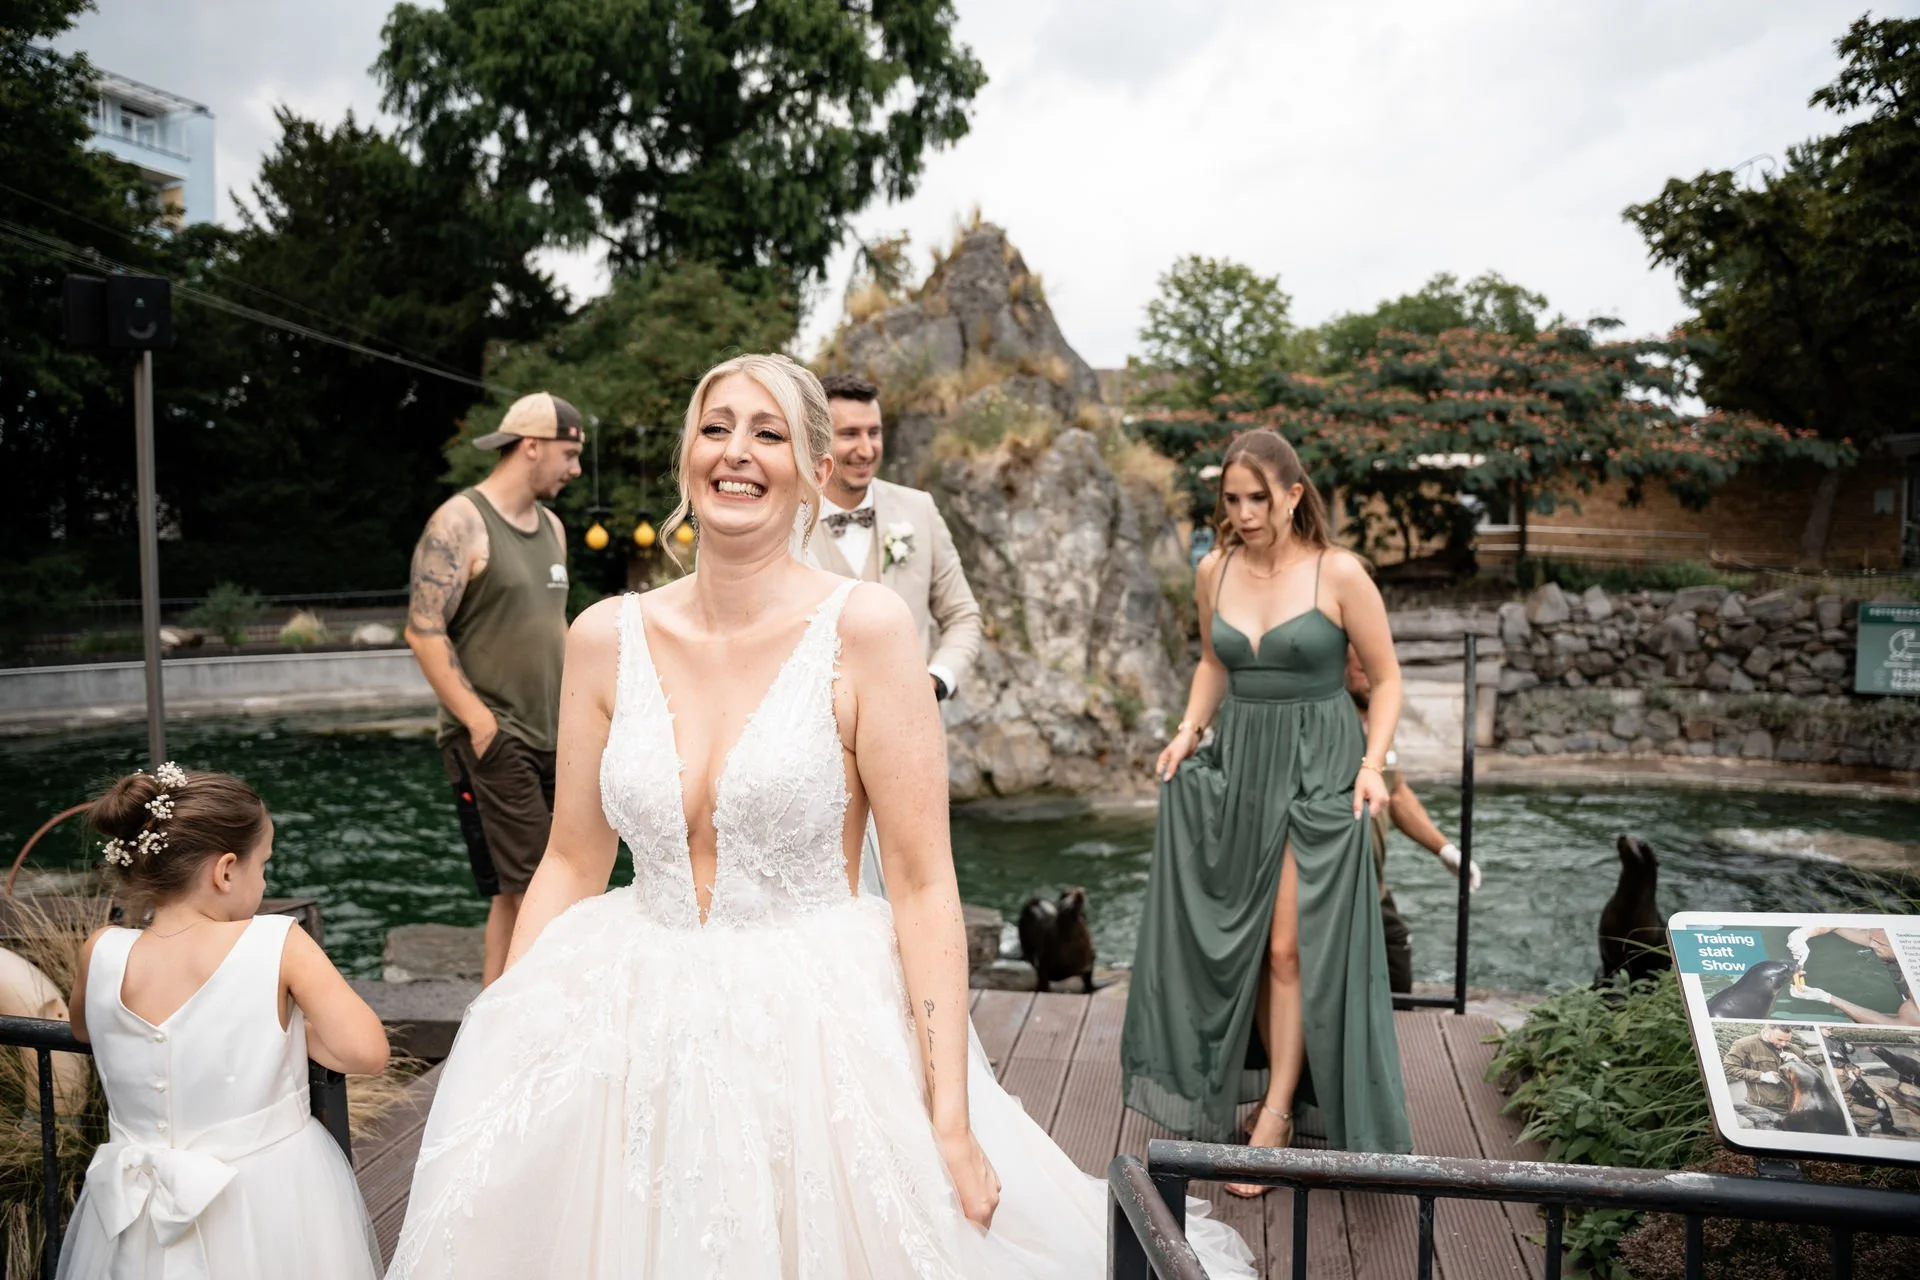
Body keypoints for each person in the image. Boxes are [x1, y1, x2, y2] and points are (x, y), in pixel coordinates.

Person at [385, 355, 1252, 1279]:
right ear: (688, 457)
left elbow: (921, 886)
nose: (737, 453)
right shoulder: (604, 637)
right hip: (628, 1017)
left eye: (768, 434)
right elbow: (568, 863)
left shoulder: (869, 631)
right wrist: (510, 1026)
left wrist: (949, 1116)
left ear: (808, 466)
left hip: (813, 1030)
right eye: (716, 428)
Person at [1121, 428, 1413, 1195]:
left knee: (1287, 948)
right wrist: (1188, 733)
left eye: (1259, 497)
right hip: (1239, 765)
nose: (1245, 512)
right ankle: (1255, 1084)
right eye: (1232, 498)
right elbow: (1215, 663)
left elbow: (1384, 680)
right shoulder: (1213, 570)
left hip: (1319, 767)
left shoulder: (1339, 572)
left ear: (1292, 494)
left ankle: (1276, 1115)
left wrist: (1372, 766)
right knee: (1241, 946)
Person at [58, 765, 388, 1280]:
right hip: (265, 1200)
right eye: (265, 865)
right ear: (226, 870)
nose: (264, 880)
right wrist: (287, 1030)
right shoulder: (276, 943)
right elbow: (366, 1051)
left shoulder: (100, 951)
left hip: (135, 1212)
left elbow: (84, 1030)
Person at [404, 392, 583, 986]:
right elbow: (423, 632)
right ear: (531, 446)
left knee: (520, 890)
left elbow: (554, 627)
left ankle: (491, 1020)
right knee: (539, 884)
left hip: (557, 734)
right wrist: (482, 726)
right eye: (569, 453)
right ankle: (538, 1016)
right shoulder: (459, 522)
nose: (575, 469)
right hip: (493, 738)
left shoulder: (553, 527)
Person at [810, 373, 982, 703]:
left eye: (873, 433)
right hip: (818, 741)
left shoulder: (920, 510)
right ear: (818, 440)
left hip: (916, 732)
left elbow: (963, 615)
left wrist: (936, 681)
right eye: (849, 434)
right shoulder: (788, 523)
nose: (866, 449)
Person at [1344, 645, 1479, 994]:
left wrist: (1446, 850)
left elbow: (1398, 792)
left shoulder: (1377, 725)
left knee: (1396, 957)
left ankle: (1398, 1040)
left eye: (1375, 670)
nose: (1372, 679)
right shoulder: (1331, 723)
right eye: (1362, 671)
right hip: (1339, 887)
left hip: (1374, 886)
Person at [1786, 926, 1919, 1026]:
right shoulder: (1889, 941)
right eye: (1871, 938)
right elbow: (1837, 924)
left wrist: (1826, 998)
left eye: (1880, 944)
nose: (1871, 945)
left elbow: (1898, 1026)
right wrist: (1803, 934)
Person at [1722, 1024, 1803, 1112]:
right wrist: (1761, 1076)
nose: (1784, 1044)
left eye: (1787, 1040)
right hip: (1764, 1108)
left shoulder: (1794, 1049)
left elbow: (1817, 1072)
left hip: (1794, 1106)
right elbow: (1729, 1066)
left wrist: (1800, 1063)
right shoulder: (1744, 1045)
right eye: (1779, 1039)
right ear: (1766, 1032)